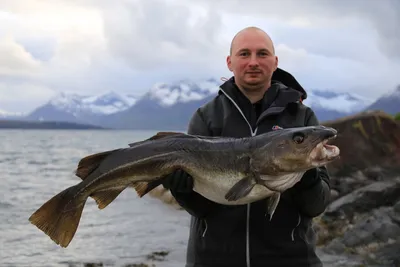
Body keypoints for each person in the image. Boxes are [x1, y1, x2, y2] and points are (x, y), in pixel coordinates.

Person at [162, 26, 331, 267]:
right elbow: (201, 210)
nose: (253, 62)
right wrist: (183, 192)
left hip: (291, 260)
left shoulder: (302, 120)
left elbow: (316, 205)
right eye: (244, 54)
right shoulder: (207, 117)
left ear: (275, 62)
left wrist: (306, 172)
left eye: (262, 54)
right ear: (230, 62)